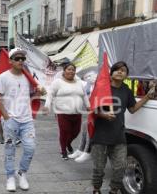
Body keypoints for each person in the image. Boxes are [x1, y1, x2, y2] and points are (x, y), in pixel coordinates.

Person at [91, 62, 155, 194]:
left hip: (119, 136)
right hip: (100, 137)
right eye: (117, 70)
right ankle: (96, 190)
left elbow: (132, 109)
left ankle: (114, 190)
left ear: (126, 75)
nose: (120, 72)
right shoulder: (102, 87)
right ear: (111, 73)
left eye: (123, 70)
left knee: (120, 168)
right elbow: (92, 109)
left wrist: (147, 96)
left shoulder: (126, 90)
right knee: (98, 169)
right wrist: (104, 115)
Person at [0, 48, 39, 192]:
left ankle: (22, 173)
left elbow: (34, 95)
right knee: (10, 150)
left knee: (30, 147)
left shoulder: (28, 77)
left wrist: (40, 92)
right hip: (11, 119)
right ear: (10, 61)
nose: (21, 61)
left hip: (27, 120)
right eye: (17, 58)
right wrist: (6, 117)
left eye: (22, 59)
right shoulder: (3, 77)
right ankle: (10, 177)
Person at [43, 63, 90, 160]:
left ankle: (68, 143)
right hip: (62, 113)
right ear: (64, 71)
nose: (71, 71)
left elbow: (84, 95)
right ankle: (63, 151)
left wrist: (88, 106)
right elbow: (50, 94)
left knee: (76, 132)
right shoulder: (58, 82)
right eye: (69, 69)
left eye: (73, 70)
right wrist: (47, 106)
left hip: (77, 113)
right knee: (65, 132)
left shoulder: (79, 82)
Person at [69, 70, 97, 163]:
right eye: (87, 77)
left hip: (99, 111)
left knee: (89, 126)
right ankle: (81, 149)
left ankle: (87, 151)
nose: (89, 78)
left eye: (90, 76)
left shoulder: (97, 84)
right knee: (85, 125)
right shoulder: (88, 86)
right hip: (92, 110)